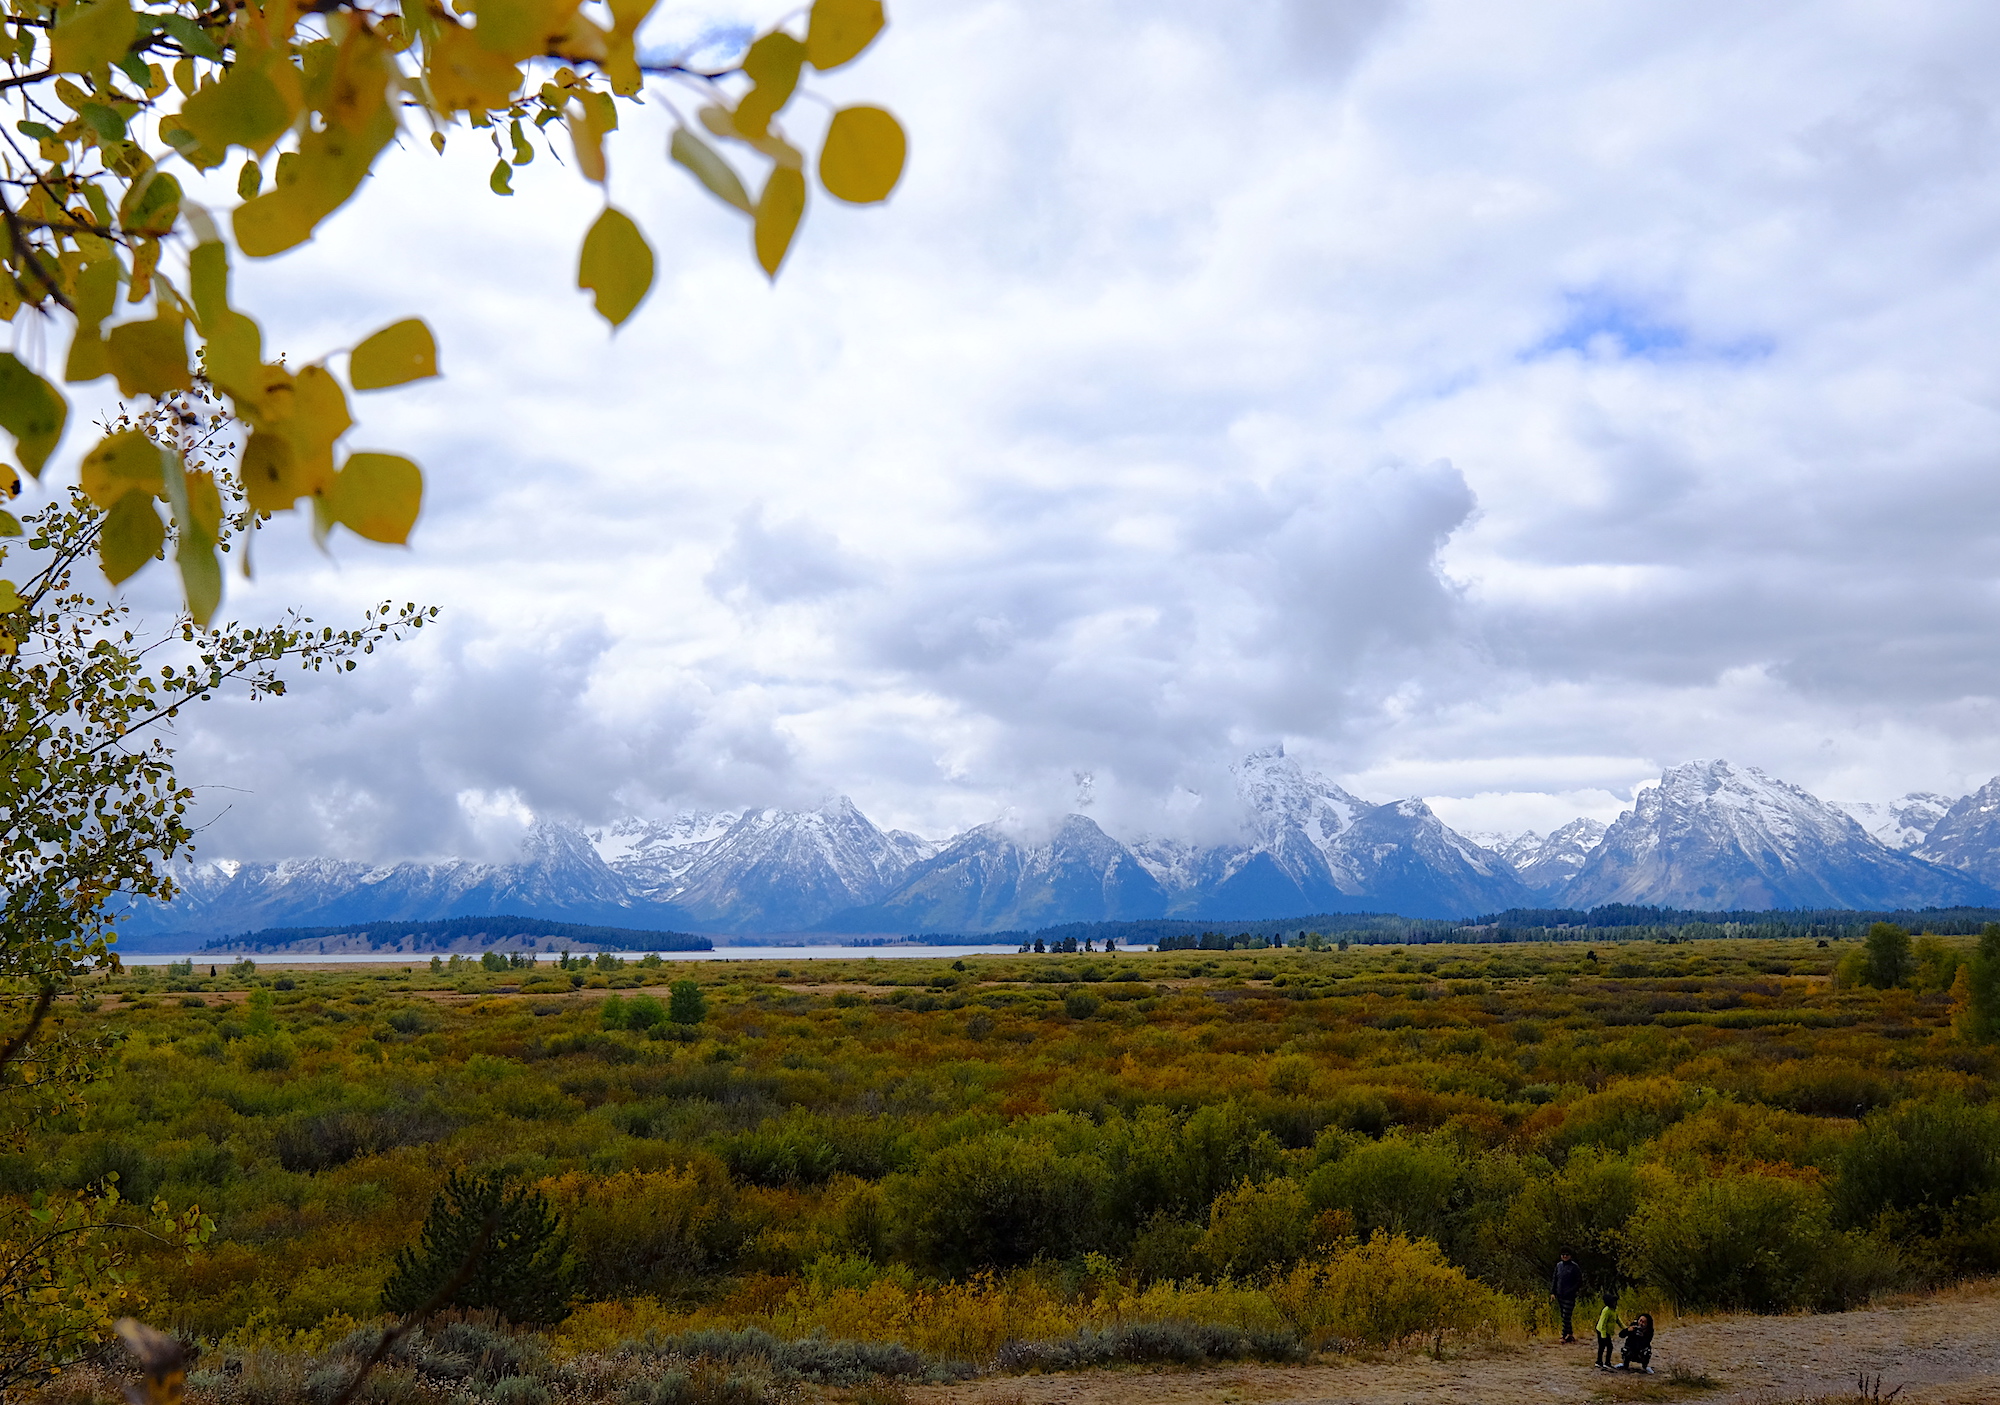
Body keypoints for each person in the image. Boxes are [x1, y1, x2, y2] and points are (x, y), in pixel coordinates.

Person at [1552, 1250, 1583, 1342]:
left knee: (1566, 1316)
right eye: (1563, 1254)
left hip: (1570, 1296)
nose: (1565, 1256)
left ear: (1570, 1256)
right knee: (1564, 1316)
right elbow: (1555, 1279)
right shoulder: (1558, 1266)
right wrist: (1553, 1292)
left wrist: (1571, 1291)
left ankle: (1563, 1335)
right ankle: (1570, 1334)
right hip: (1560, 1295)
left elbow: (1579, 1281)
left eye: (1567, 1254)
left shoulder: (1574, 1267)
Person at [1593, 1293, 1620, 1370]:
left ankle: (1600, 1362)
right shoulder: (1606, 1311)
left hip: (1607, 1331)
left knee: (1603, 1347)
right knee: (1607, 1347)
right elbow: (1602, 1324)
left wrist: (1625, 1328)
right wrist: (1603, 1336)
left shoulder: (1614, 1310)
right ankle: (1604, 1362)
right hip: (1601, 1331)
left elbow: (1617, 1320)